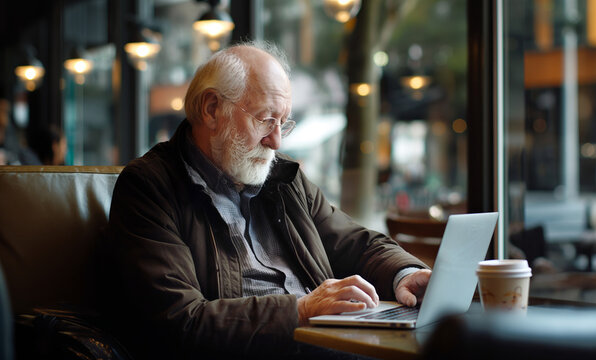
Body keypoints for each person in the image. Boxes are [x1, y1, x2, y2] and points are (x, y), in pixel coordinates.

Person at [102, 41, 432, 359]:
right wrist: (302, 310)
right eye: (265, 119)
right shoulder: (148, 187)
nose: (275, 141)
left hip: (326, 342)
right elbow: (180, 320)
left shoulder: (284, 179)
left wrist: (404, 273)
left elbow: (357, 243)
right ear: (212, 109)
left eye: (283, 123)